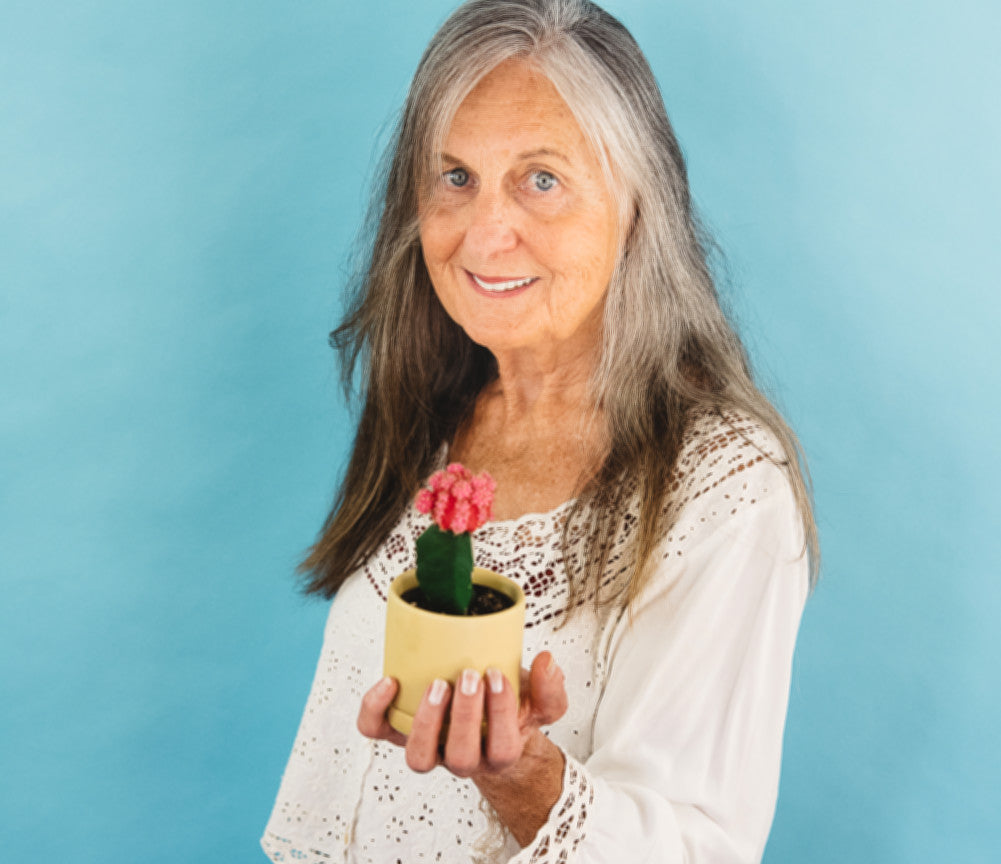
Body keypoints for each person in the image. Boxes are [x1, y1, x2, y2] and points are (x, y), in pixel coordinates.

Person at [261, 0, 818, 861]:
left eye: (541, 179)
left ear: (636, 202)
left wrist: (517, 773)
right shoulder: (433, 414)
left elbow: (699, 846)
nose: (485, 234)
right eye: (455, 178)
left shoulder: (724, 481)